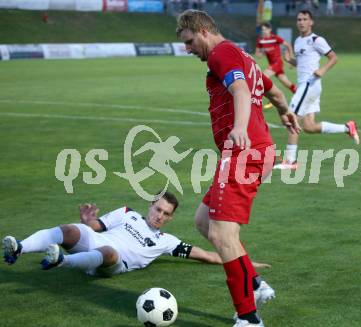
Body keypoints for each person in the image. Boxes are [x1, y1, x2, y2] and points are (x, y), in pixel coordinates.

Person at [176, 9, 299, 327]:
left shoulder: (221, 53)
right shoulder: (241, 56)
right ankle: (256, 286)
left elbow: (241, 90)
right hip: (252, 152)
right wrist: (285, 113)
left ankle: (248, 317)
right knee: (204, 221)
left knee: (221, 232)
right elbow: (272, 90)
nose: (187, 49)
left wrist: (240, 127)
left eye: (189, 41)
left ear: (203, 30)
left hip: (245, 152)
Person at [2, 192, 271, 277]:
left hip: (112, 260)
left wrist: (244, 262)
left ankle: (61, 261)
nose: (159, 216)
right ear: (150, 206)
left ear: (170, 218)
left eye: (166, 214)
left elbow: (208, 255)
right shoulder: (127, 213)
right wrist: (88, 222)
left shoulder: (167, 242)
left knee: (108, 253)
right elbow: (96, 228)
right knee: (69, 230)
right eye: (157, 209)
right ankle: (19, 248)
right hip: (98, 240)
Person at [277, 10, 360, 170]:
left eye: (305, 19)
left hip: (310, 84)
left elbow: (334, 57)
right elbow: (302, 63)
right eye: (299, 19)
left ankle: (291, 161)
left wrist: (322, 70)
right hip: (305, 86)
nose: (301, 22)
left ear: (311, 22)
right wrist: (290, 60)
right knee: (308, 126)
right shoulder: (298, 41)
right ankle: (347, 127)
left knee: (291, 118)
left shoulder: (316, 40)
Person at [255, 22, 297, 109]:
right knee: (287, 83)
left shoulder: (275, 38)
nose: (264, 31)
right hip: (272, 65)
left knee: (263, 77)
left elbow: (288, 45)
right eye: (262, 30)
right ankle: (299, 95)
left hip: (277, 63)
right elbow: (258, 55)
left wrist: (291, 58)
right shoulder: (260, 40)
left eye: (265, 29)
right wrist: (262, 52)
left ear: (270, 30)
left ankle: (272, 99)